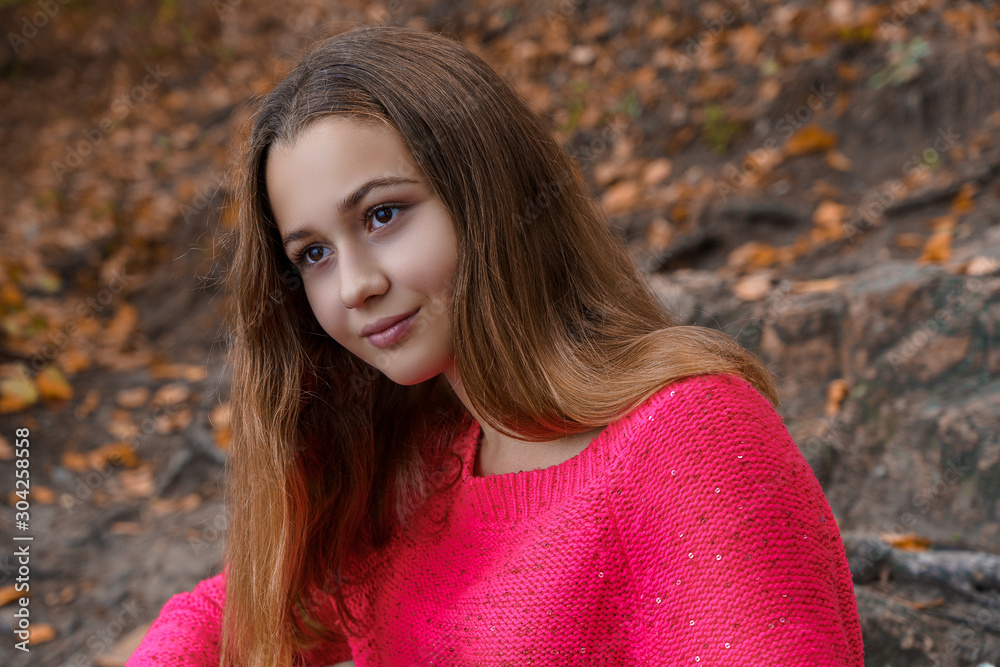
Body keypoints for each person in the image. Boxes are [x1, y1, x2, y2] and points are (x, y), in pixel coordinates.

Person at [127, 23, 865, 667]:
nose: (353, 284)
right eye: (313, 253)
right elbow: (242, 609)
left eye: (383, 214)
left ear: (491, 196)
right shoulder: (418, 457)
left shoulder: (690, 440)